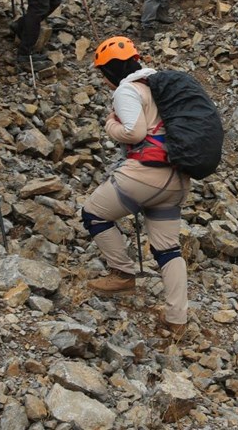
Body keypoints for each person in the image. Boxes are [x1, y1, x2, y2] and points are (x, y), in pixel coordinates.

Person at [81, 36, 192, 338]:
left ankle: (122, 273)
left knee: (94, 214)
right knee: (168, 250)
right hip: (177, 179)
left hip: (145, 175)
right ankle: (177, 321)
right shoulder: (162, 88)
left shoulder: (127, 89)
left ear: (107, 72)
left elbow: (134, 131)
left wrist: (109, 125)